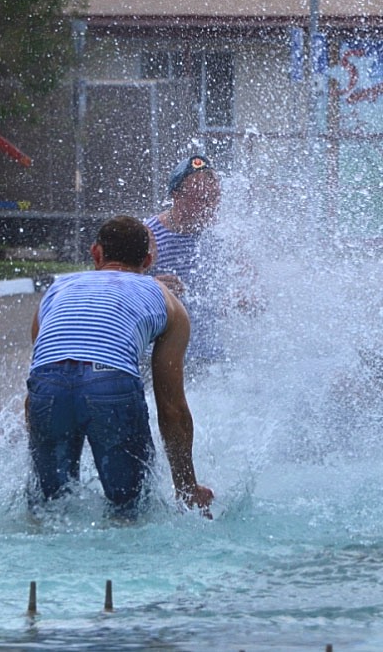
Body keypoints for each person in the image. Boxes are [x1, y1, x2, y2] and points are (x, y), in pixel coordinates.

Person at [26, 216, 214, 516]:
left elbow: (42, 371)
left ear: (96, 253)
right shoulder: (166, 300)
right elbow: (172, 408)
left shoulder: (57, 290)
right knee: (130, 513)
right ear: (149, 260)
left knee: (49, 511)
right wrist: (186, 487)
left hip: (47, 387)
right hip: (110, 381)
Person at [145, 154, 258, 364]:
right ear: (177, 196)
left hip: (210, 357)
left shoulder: (225, 236)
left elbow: (254, 290)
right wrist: (149, 286)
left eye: (215, 198)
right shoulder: (148, 235)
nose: (212, 206)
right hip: (160, 359)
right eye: (203, 199)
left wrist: (244, 297)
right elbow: (115, 289)